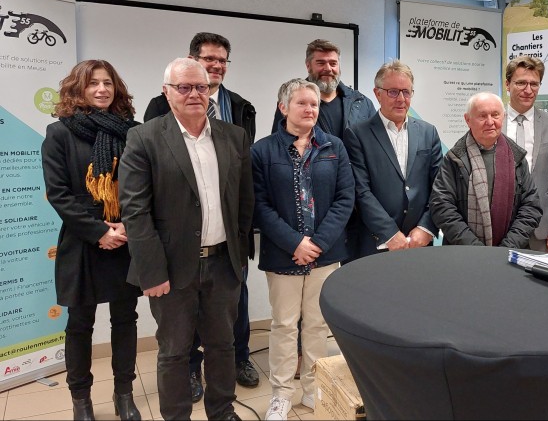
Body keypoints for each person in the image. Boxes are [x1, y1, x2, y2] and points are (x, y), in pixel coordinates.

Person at [120, 58, 254, 421]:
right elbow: (135, 211)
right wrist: (151, 272)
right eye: (184, 87)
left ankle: (222, 411)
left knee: (223, 346)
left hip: (223, 264)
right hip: (170, 268)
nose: (194, 94)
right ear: (167, 92)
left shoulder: (234, 137)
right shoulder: (144, 137)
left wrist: (240, 257)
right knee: (174, 352)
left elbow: (245, 201)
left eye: (201, 87)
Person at [42, 60, 142, 421]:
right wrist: (100, 232)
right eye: (93, 83)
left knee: (125, 319)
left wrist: (125, 227)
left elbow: (145, 186)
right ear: (78, 89)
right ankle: (81, 401)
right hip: (83, 240)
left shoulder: (134, 132)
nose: (102, 89)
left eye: (108, 83)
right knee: (80, 324)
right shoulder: (59, 133)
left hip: (125, 237)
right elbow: (58, 194)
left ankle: (124, 394)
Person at [252, 79, 354, 420]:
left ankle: (312, 389)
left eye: (314, 104)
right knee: (283, 325)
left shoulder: (334, 147)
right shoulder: (263, 151)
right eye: (302, 103)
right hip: (283, 254)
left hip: (325, 255)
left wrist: (318, 243)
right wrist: (295, 243)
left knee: (316, 325)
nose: (310, 109)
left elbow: (345, 199)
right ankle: (281, 394)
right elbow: (259, 206)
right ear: (283, 108)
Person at [344, 60, 442, 258]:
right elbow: (361, 191)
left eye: (406, 92)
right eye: (393, 92)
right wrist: (389, 233)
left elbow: (439, 187)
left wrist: (426, 227)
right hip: (376, 245)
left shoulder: (428, 132)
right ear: (377, 93)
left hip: (419, 244)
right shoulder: (357, 134)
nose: (401, 99)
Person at [430, 92, 541, 247]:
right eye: (482, 116)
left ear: (503, 117)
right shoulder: (454, 159)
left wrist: (508, 246)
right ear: (468, 120)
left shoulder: (517, 157)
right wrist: (475, 249)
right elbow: (442, 207)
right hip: (462, 252)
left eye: (495, 115)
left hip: (510, 252)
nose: (490, 122)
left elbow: (531, 207)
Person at [503, 56, 548, 252]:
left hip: (540, 228)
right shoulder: (494, 121)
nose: (528, 90)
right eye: (521, 83)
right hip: (502, 224)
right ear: (507, 84)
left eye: (534, 84)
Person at [270, 38, 375, 137]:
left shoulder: (361, 102)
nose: (328, 69)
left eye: (333, 63)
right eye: (321, 63)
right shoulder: (290, 100)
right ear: (308, 66)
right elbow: (278, 142)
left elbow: (375, 141)